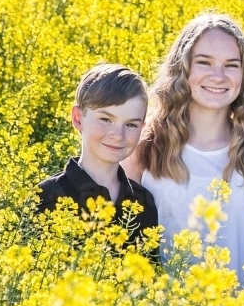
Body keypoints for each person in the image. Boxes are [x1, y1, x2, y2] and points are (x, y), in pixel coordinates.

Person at [126, 13, 244, 287]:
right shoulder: (144, 146)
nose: (218, 76)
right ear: (183, 68)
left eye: (231, 65)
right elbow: (124, 246)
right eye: (204, 62)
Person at [36, 64, 159, 259]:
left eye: (131, 124)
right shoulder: (47, 196)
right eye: (106, 119)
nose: (118, 135)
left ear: (142, 128)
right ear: (78, 118)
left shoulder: (143, 202)